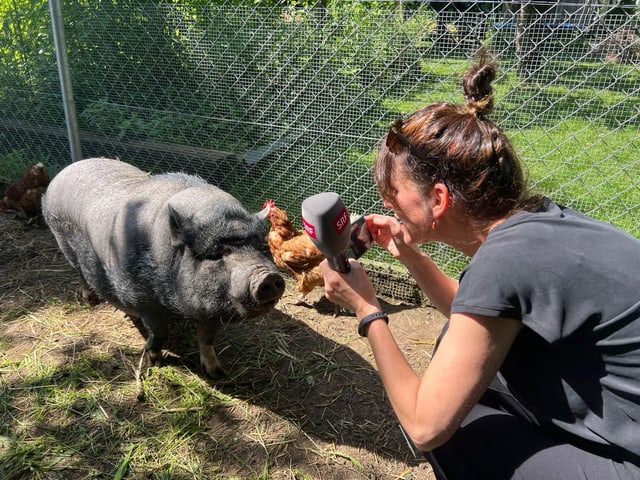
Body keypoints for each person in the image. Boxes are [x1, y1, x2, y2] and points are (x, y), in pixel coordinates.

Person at [318, 55, 640, 479]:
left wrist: (367, 312)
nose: (386, 203)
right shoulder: (536, 224)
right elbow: (474, 314)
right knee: (461, 362)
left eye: (393, 191)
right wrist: (411, 256)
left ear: (437, 199)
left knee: (453, 428)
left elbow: (423, 425)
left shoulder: (504, 261)